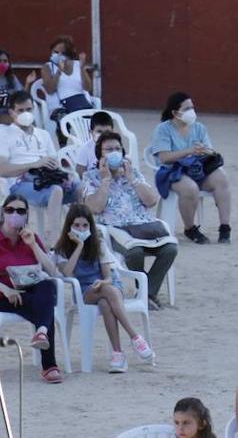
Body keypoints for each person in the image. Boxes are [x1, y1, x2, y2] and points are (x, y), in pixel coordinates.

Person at [81, 131, 179, 311]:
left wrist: (132, 179)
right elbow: (95, 208)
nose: (114, 152)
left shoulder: (132, 174)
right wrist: (105, 181)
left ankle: (146, 293)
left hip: (143, 225)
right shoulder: (91, 177)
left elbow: (151, 200)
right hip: (115, 227)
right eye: (109, 149)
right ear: (100, 155)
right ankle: (147, 294)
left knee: (170, 249)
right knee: (135, 252)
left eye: (118, 148)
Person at [53, 203, 155, 373]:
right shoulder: (62, 249)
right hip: (84, 291)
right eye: (76, 225)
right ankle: (135, 337)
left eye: (85, 225)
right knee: (106, 294)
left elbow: (108, 277)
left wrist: (102, 283)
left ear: (90, 226)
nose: (81, 229)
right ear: (69, 226)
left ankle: (118, 355)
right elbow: (68, 273)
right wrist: (78, 246)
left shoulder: (98, 244)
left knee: (106, 302)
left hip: (107, 286)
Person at [151, 92, 233, 244]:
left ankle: (225, 227)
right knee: (190, 188)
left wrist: (205, 151)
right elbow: (164, 158)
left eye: (192, 108)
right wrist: (189, 151)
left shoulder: (199, 128)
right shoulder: (163, 129)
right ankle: (190, 228)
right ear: (175, 113)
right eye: (187, 108)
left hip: (197, 168)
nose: (191, 112)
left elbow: (209, 150)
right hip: (172, 171)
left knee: (222, 178)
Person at [0, 193, 64, 383]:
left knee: (47, 286)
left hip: (27, 293)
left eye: (20, 211)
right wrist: (6, 289)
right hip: (3, 295)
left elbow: (51, 270)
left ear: (27, 215)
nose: (15, 214)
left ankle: (41, 331)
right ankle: (49, 366)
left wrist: (34, 245)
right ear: (3, 212)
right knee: (46, 308)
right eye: (10, 210)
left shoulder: (31, 237)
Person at [0, 91, 77, 239]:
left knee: (80, 184)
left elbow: (54, 163)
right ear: (11, 112)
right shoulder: (4, 134)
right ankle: (55, 242)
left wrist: (64, 173)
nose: (25, 114)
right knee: (56, 191)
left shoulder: (43, 134)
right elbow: (2, 169)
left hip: (45, 179)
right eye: (20, 110)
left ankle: (83, 234)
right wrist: (34, 164)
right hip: (19, 184)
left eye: (28, 110)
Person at [41, 35, 95, 117]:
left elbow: (87, 88)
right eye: (55, 52)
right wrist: (59, 72)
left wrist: (82, 69)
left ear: (69, 54)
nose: (58, 55)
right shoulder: (47, 67)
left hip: (81, 103)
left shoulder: (77, 65)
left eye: (62, 53)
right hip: (60, 107)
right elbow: (50, 90)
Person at [73, 110, 116, 176]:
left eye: (107, 131)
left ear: (112, 132)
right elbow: (80, 173)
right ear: (91, 132)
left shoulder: (116, 148)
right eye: (99, 131)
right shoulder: (85, 149)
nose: (104, 135)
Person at [0, 49, 24, 125]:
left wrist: (28, 83)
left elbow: (21, 96)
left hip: (11, 112)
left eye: (5, 61)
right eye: (0, 61)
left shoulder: (12, 78)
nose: (2, 63)